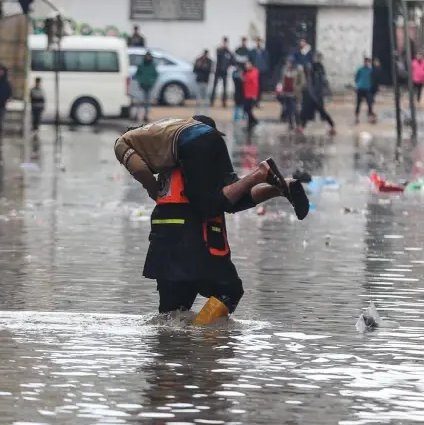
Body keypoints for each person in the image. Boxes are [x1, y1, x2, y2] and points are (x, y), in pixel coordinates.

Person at [115, 116, 309, 324]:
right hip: (197, 244)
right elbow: (224, 203)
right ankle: (204, 337)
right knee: (229, 291)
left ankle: (180, 348)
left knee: (170, 317)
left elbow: (231, 200)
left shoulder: (169, 165)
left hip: (164, 249)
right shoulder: (195, 161)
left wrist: (276, 191)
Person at [304, 52, 335, 135]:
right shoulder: (312, 66)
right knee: (308, 110)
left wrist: (326, 91)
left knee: (320, 109)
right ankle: (303, 125)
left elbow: (323, 79)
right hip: (314, 91)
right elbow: (310, 79)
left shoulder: (320, 67)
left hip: (318, 91)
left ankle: (331, 125)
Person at [133, 52, 159, 122]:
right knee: (139, 101)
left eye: (149, 56)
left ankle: (146, 115)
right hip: (141, 85)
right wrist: (140, 80)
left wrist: (152, 82)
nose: (148, 58)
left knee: (147, 102)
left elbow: (155, 75)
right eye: (147, 56)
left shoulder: (152, 66)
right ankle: (136, 115)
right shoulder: (141, 65)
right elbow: (137, 74)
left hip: (149, 86)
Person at [282, 61, 305, 132]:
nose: (288, 64)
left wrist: (296, 88)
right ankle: (291, 124)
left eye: (289, 63)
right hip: (286, 93)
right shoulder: (285, 70)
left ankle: (298, 125)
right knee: (288, 109)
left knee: (296, 110)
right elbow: (282, 80)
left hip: (295, 94)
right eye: (287, 63)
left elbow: (302, 82)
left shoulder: (299, 71)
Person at [211, 37, 234, 107]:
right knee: (214, 87)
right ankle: (211, 101)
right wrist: (223, 48)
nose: (224, 43)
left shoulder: (229, 52)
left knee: (225, 87)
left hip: (224, 71)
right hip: (218, 71)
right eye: (224, 42)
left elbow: (232, 61)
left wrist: (228, 66)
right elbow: (218, 55)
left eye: (226, 42)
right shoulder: (219, 49)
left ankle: (224, 102)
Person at [354, 56, 375, 123]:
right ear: (364, 62)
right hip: (360, 88)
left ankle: (370, 117)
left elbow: (373, 79)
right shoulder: (360, 69)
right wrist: (358, 84)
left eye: (368, 62)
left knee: (369, 103)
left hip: (367, 89)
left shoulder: (370, 70)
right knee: (358, 104)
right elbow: (356, 78)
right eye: (366, 62)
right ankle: (356, 117)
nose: (366, 63)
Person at [241, 61, 260, 129]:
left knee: (248, 109)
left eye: (248, 65)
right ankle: (252, 122)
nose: (246, 66)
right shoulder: (247, 72)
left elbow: (255, 85)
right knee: (247, 109)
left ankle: (252, 122)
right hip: (246, 94)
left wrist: (255, 95)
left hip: (251, 95)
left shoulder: (254, 72)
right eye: (245, 65)